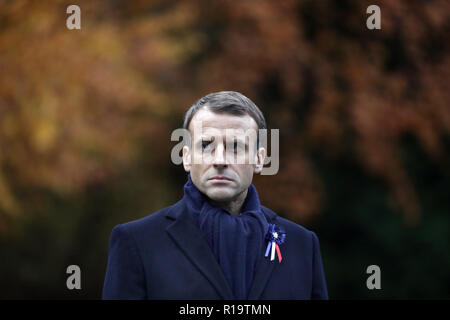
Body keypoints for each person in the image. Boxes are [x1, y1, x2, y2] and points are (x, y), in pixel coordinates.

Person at [102, 91, 328, 300]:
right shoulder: (137, 242)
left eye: (236, 146)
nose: (220, 160)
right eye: (207, 145)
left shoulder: (302, 245)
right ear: (187, 158)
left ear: (259, 159)